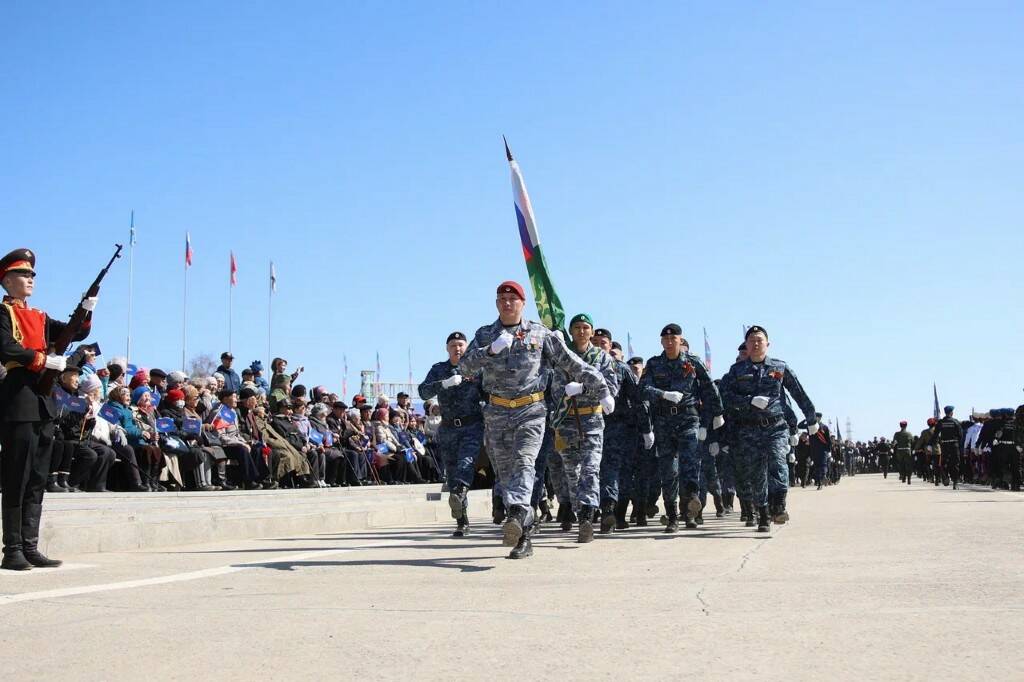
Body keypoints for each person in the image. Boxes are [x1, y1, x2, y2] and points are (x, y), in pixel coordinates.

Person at [459, 280, 610, 559]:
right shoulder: (484, 335)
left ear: (523, 303)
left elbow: (571, 363)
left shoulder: (540, 335)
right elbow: (465, 366)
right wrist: (489, 350)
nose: (507, 303)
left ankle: (516, 512)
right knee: (505, 476)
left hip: (531, 411)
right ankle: (523, 534)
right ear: (496, 304)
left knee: (525, 462)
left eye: (512, 299)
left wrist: (600, 387)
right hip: (497, 413)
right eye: (502, 299)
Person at [0, 248, 98, 569]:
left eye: (32, 275)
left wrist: (86, 308)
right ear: (7, 280)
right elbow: (6, 348)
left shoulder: (39, 316)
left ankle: (30, 545)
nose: (30, 279)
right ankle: (11, 549)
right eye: (23, 275)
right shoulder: (3, 314)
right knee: (17, 474)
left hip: (44, 401)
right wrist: (43, 359)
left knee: (38, 477)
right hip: (19, 397)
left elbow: (76, 331)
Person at [720, 326, 816, 533]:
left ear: (767, 344)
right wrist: (749, 401)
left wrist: (810, 417)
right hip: (748, 429)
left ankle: (779, 504)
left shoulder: (780, 367)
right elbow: (724, 397)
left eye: (759, 340)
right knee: (756, 475)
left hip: (775, 427)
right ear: (746, 345)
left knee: (777, 462)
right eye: (751, 340)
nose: (755, 344)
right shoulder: (736, 371)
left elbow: (799, 393)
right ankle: (763, 514)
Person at [639, 323, 723, 532]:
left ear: (680, 340)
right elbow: (642, 389)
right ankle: (672, 515)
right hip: (664, 422)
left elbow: (709, 388)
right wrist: (662, 394)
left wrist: (716, 414)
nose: (669, 342)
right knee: (668, 471)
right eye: (665, 339)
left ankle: (690, 509)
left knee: (690, 465)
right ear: (661, 341)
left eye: (673, 338)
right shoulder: (654, 363)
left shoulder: (693, 363)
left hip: (688, 419)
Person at [548, 314, 619, 543]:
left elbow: (611, 388)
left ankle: (587, 517)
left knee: (590, 468)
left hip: (592, 421)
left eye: (585, 327)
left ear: (592, 331)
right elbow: (555, 390)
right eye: (576, 327)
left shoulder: (601, 357)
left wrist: (583, 390)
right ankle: (581, 513)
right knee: (573, 473)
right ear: (570, 331)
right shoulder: (561, 358)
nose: (581, 331)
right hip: (566, 420)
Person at [418, 331, 484, 537]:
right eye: (453, 345)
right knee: (453, 473)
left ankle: (459, 493)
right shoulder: (439, 369)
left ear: (467, 347)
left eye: (461, 345)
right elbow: (423, 392)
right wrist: (443, 384)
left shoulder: (477, 369)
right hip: (447, 428)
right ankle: (461, 521)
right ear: (447, 349)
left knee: (466, 463)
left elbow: (490, 391)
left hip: (472, 425)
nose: (458, 348)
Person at [592, 327, 651, 532]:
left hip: (618, 427)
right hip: (590, 425)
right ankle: (601, 510)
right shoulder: (581, 365)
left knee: (617, 470)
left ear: (610, 345)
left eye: (603, 343)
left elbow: (638, 400)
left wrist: (646, 429)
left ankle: (614, 511)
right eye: (596, 342)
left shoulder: (621, 368)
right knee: (595, 470)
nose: (599, 346)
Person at [935, 406, 963, 489]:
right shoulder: (955, 422)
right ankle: (955, 482)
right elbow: (960, 435)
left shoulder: (940, 422)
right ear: (951, 413)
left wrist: (931, 443)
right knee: (955, 464)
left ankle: (945, 477)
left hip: (944, 445)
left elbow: (935, 435)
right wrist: (958, 444)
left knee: (943, 463)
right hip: (954, 445)